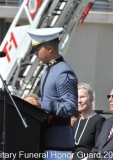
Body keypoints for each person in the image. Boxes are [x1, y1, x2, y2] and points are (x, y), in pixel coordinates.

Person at [27, 27, 78, 160]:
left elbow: (71, 106)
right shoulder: (49, 69)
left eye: (37, 49)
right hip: (47, 140)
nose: (35, 53)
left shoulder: (63, 72)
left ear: (49, 48)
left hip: (58, 143)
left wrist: (41, 104)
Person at [72, 83, 106, 160]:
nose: (79, 101)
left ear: (91, 99)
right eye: (77, 97)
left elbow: (99, 148)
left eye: (82, 97)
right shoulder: (76, 122)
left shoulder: (99, 120)